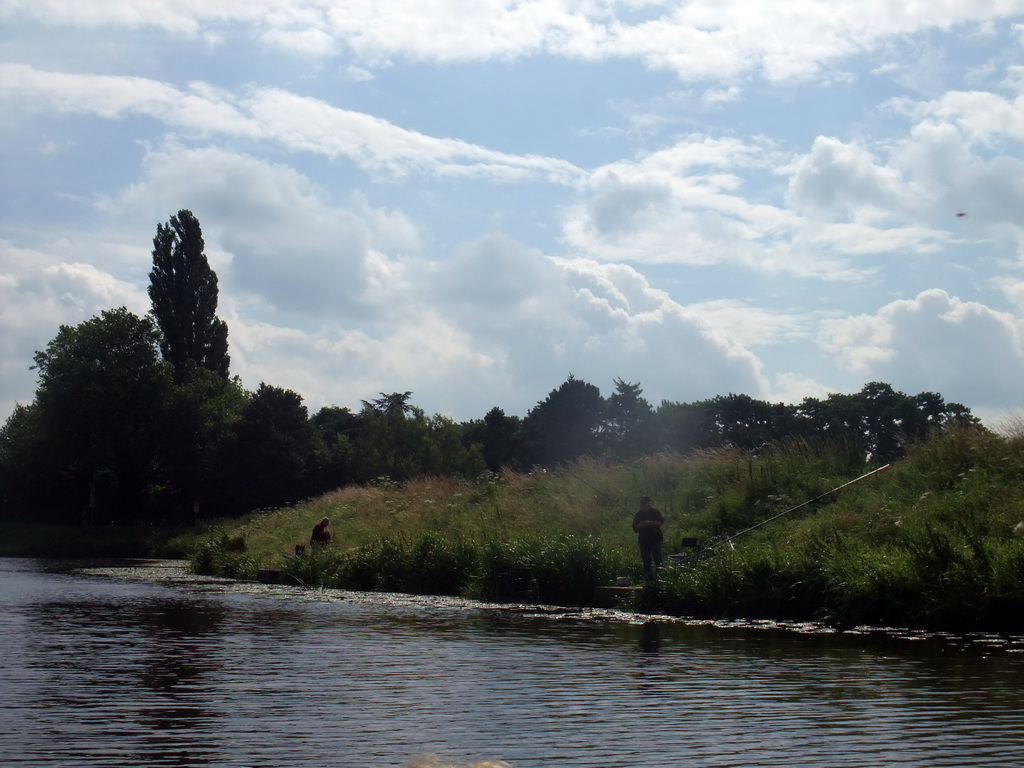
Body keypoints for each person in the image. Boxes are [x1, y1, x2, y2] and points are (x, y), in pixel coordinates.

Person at [631, 495, 664, 583]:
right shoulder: (638, 514)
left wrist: (650, 523)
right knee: (646, 562)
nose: (644, 505)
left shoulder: (655, 512)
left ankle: (660, 579)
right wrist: (641, 524)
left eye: (646, 503)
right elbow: (635, 528)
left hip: (655, 540)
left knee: (658, 561)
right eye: (642, 503)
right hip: (644, 542)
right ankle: (649, 580)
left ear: (649, 503)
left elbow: (660, 523)